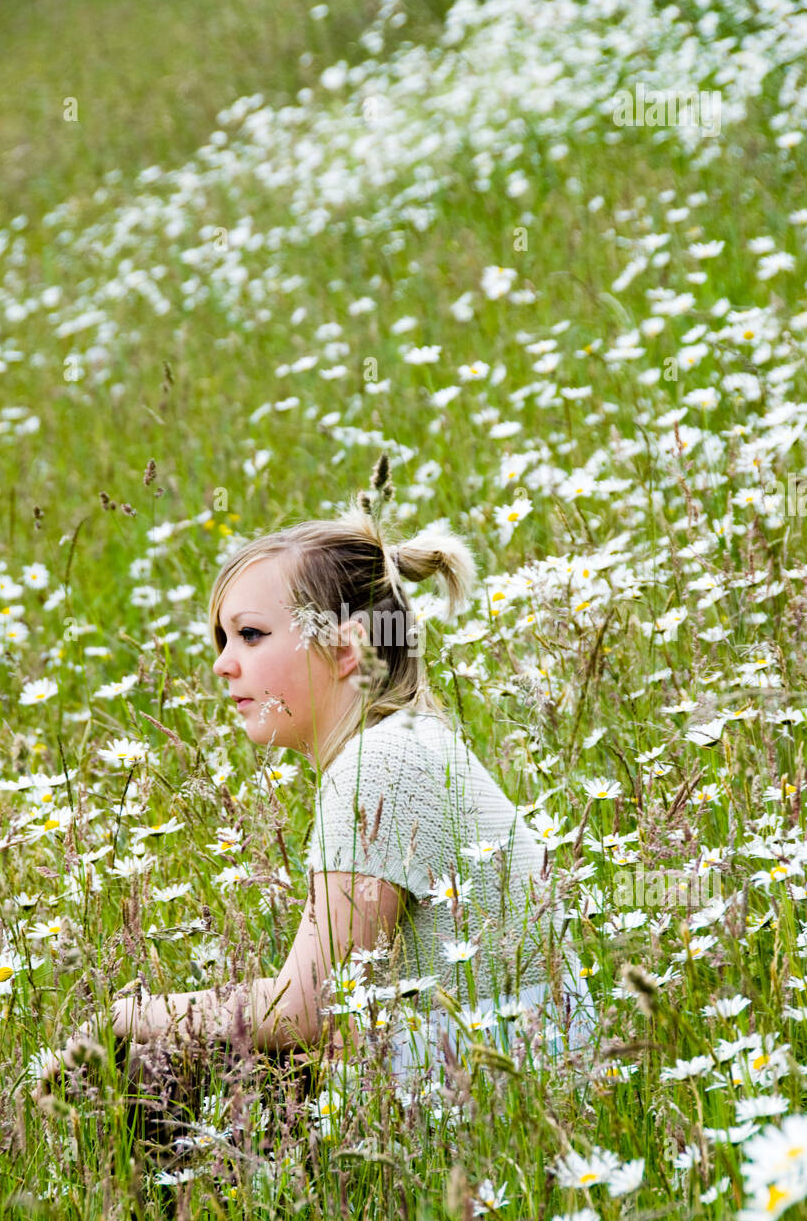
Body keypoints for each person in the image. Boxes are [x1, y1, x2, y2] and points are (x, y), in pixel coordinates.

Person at [33, 468, 597, 1133]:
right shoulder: (407, 747)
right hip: (507, 1072)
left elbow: (303, 1008)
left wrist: (120, 1015)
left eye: (249, 635)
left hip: (494, 1106)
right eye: (222, 640)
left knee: (136, 1063)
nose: (222, 664)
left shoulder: (378, 769)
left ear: (348, 647)